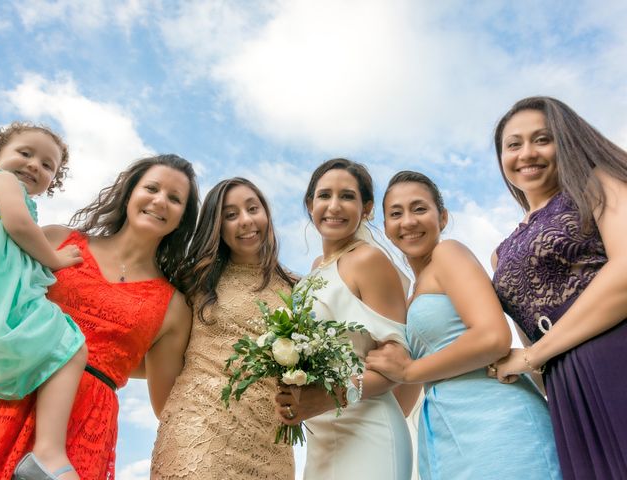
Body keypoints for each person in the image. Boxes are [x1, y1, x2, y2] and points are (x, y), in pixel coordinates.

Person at [0, 154, 200, 480]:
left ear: (183, 218)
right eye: (152, 188)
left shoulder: (174, 308)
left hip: (85, 429)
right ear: (130, 192)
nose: (160, 201)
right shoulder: (56, 240)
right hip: (10, 395)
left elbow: (167, 406)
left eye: (174, 199)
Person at [365, 171, 561, 480]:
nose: (408, 221)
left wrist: (408, 371)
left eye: (419, 209)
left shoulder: (448, 253)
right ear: (387, 229)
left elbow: (493, 337)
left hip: (497, 423)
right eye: (396, 214)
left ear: (442, 217)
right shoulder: (411, 293)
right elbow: (408, 388)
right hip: (446, 433)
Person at [491, 96, 627, 479]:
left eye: (542, 139)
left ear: (564, 141)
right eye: (513, 144)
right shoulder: (499, 254)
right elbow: (526, 335)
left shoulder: (597, 183)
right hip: (565, 389)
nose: (527, 153)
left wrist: (533, 357)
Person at [274, 158, 418, 480]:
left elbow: (399, 366)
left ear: (366, 208)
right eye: (324, 196)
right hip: (320, 437)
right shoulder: (314, 269)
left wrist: (325, 398)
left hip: (369, 429)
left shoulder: (368, 259)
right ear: (310, 204)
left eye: (347, 196)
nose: (334, 206)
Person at [151, 177, 295, 479]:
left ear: (265, 213)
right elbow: (162, 353)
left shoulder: (297, 288)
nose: (245, 221)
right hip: (199, 430)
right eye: (230, 215)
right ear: (217, 226)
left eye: (252, 208)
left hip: (271, 442)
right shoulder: (194, 280)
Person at [0, 122, 87, 479]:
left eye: (48, 165)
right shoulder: (1, 180)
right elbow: (18, 225)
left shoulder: (18, 194)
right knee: (69, 343)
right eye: (25, 153)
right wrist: (55, 259)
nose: (34, 166)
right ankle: (48, 453)